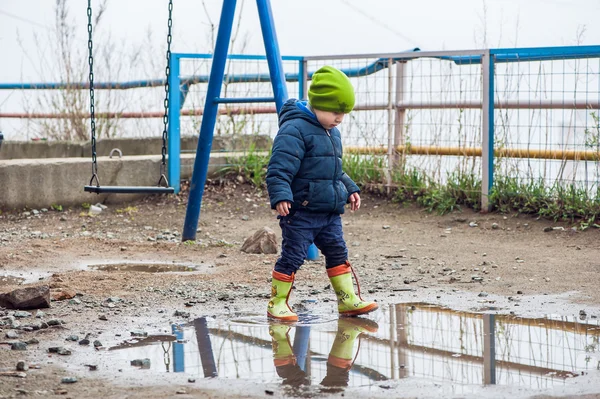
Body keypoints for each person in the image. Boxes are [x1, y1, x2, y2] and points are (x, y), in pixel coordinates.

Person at [266, 65, 378, 321]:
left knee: (338, 252)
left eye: (343, 114)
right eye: (335, 112)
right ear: (317, 104)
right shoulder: (294, 130)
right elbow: (278, 168)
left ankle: (347, 300)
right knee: (293, 256)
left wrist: (350, 188)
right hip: (301, 211)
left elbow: (333, 169)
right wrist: (281, 195)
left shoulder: (332, 132)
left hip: (328, 211)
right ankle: (277, 302)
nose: (339, 118)